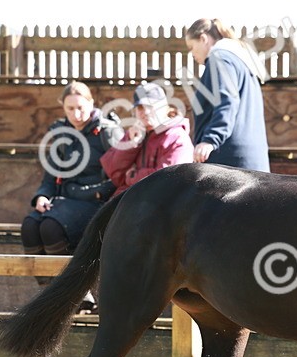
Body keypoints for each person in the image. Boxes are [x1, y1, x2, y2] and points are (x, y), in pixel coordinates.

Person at [20, 82, 119, 311]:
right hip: (64, 202)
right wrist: (41, 197)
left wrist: (94, 191)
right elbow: (49, 178)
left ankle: (76, 290)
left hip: (96, 202)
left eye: (80, 107)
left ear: (91, 103)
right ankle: (52, 293)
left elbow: (119, 175)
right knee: (29, 226)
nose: (76, 114)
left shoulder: (107, 131)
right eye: (70, 109)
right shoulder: (61, 134)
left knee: (50, 227)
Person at [184, 18, 270, 172]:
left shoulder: (220, 59)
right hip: (250, 159)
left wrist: (210, 140)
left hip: (229, 162)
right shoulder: (240, 61)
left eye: (191, 47)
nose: (192, 53)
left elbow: (227, 101)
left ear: (203, 39)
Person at [100, 81, 193, 196]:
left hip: (160, 204)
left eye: (150, 106)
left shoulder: (177, 138)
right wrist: (131, 144)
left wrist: (132, 177)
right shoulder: (136, 133)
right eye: (140, 108)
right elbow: (114, 174)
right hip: (129, 199)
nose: (146, 112)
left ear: (164, 107)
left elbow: (167, 180)